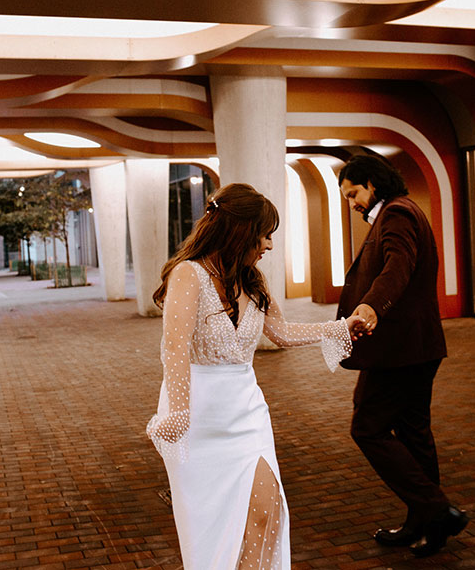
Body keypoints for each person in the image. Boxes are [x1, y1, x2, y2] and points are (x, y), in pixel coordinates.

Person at [146, 182, 361, 570]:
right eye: (265, 234)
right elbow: (174, 346)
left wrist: (339, 328)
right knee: (213, 527)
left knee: (268, 511)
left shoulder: (252, 280)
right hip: (196, 418)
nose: (269, 245)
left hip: (247, 415)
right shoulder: (188, 275)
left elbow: (280, 333)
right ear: (240, 230)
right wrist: (177, 411)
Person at [336, 153, 468, 558]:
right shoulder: (398, 212)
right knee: (413, 433)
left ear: (373, 183)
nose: (352, 202)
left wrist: (372, 306)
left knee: (367, 427)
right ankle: (426, 525)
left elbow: (398, 266)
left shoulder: (396, 215)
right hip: (414, 347)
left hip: (399, 348)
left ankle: (435, 510)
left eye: (354, 193)